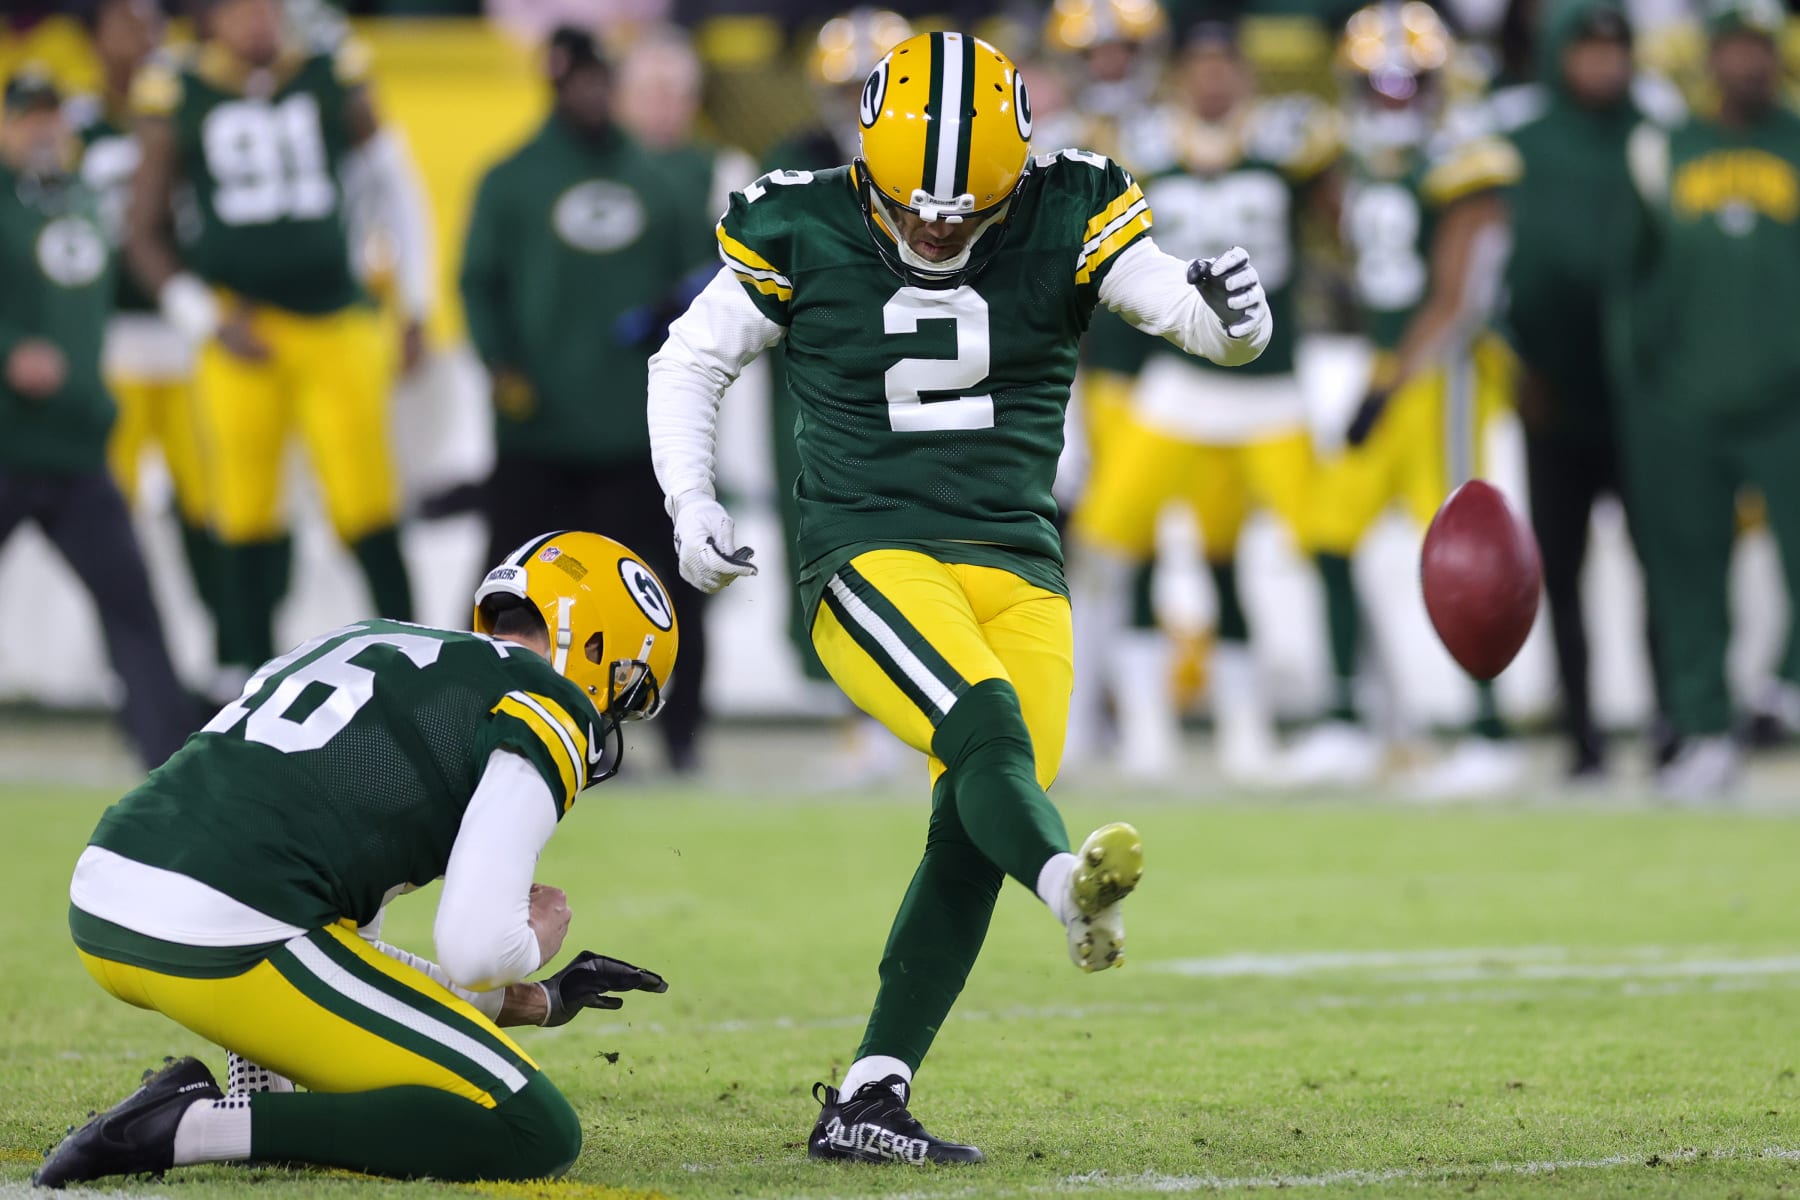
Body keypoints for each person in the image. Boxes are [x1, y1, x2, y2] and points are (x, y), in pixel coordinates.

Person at [647, 30, 1271, 1161]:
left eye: (962, 207)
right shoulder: (805, 213)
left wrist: (1238, 322)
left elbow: (1180, 315)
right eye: (914, 204)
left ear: (1019, 167)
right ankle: (1066, 887)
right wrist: (689, 499)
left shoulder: (1068, 202)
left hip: (1021, 561)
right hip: (869, 555)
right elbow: (691, 357)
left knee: (980, 809)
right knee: (982, 726)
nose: (936, 226)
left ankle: (869, 1097)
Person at [34, 531, 678, 1189]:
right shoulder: (547, 703)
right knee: (534, 1130)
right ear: (596, 647)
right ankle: (191, 1126)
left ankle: (253, 1091)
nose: (609, 715)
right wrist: (530, 942)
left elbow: (344, 957)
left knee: (302, 910)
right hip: (225, 925)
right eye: (624, 690)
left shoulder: (371, 642)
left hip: (109, 892)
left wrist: (536, 1001)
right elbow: (476, 947)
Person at [1070, 22, 1340, 784]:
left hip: (1270, 389)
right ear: (1180, 76)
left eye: (1227, 66)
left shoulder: (1291, 139)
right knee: (1116, 549)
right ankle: (1127, 726)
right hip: (1174, 385)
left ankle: (1318, 719)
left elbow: (1343, 204)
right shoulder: (1139, 143)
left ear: (1246, 76)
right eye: (1202, 66)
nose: (1214, 81)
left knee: (1309, 548)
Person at [125, 0, 416, 684]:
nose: (258, 18)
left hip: (335, 321)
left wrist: (414, 304)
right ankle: (248, 682)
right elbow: (143, 228)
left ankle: (418, 666)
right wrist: (204, 317)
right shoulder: (176, 85)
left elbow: (393, 183)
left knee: (366, 502)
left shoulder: (327, 65)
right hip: (240, 328)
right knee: (243, 509)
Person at [1284, 2, 1525, 796]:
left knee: (1466, 544)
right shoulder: (1345, 152)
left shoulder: (1467, 155)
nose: (1392, 97)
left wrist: (1390, 380)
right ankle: (1346, 722)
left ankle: (1490, 735)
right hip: (1386, 364)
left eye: (1407, 82)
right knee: (1329, 526)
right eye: (1378, 82)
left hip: (1446, 372)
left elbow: (1458, 301)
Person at [462, 26, 715, 773]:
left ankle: (681, 737)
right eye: (577, 82)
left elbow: (699, 291)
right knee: (508, 592)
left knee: (667, 594)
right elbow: (479, 285)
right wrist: (500, 362)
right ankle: (480, 724)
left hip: (636, 434)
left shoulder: (660, 180)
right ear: (553, 85)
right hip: (537, 429)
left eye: (600, 80)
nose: (591, 95)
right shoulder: (509, 178)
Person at [1613, 0, 1800, 797]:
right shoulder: (1662, 147)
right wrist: (1641, 385)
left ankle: (1780, 687)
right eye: (1734, 48)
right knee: (1687, 577)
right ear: (1710, 56)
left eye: (1760, 48)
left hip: (1790, 398)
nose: (1748, 64)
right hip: (1681, 403)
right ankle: (1703, 730)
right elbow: (1628, 278)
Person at [0, 67, 194, 770]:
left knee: (132, 608)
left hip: (78, 453)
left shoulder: (80, 200)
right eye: (27, 116)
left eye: (52, 116)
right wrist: (10, 349)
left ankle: (172, 765)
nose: (43, 129)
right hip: (8, 445)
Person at [1502, 0, 1665, 781]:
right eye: (1589, 51)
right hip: (1551, 393)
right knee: (1558, 572)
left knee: (1660, 563)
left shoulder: (1658, 138)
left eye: (1616, 50)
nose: (1604, 66)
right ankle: (1582, 733)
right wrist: (1516, 363)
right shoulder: (1519, 142)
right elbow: (1495, 272)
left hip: (1644, 397)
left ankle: (1673, 726)